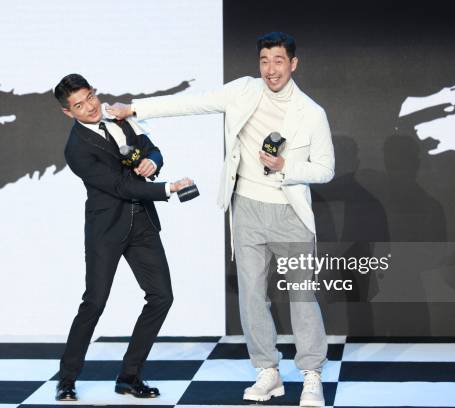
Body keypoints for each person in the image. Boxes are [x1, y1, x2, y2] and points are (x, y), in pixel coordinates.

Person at [108, 32, 334, 407]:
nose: (271, 69)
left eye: (278, 61)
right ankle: (267, 372)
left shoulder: (311, 112)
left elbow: (325, 169)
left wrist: (286, 166)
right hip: (245, 207)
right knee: (251, 296)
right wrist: (135, 108)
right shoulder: (244, 90)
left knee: (302, 297)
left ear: (293, 64)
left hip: (290, 213)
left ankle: (311, 375)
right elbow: (194, 104)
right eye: (264, 60)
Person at [53, 73, 192, 401]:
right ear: (67, 112)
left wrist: (151, 163)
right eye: (78, 105)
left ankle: (129, 377)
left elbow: (153, 150)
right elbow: (118, 186)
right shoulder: (76, 149)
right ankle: (67, 378)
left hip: (142, 222)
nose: (89, 108)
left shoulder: (121, 119)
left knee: (161, 297)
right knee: (94, 303)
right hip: (106, 229)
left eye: (90, 98)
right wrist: (167, 188)